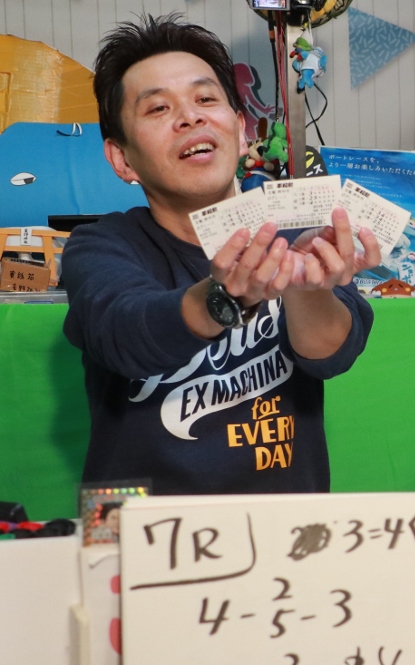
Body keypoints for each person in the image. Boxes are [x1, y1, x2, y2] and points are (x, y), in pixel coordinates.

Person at [62, 15, 381, 495]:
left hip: (286, 524)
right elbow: (121, 332)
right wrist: (223, 297)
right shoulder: (101, 244)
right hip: (137, 528)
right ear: (121, 159)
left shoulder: (296, 229)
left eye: (206, 99)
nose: (190, 117)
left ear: (240, 128)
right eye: (158, 108)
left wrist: (307, 289)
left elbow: (332, 356)